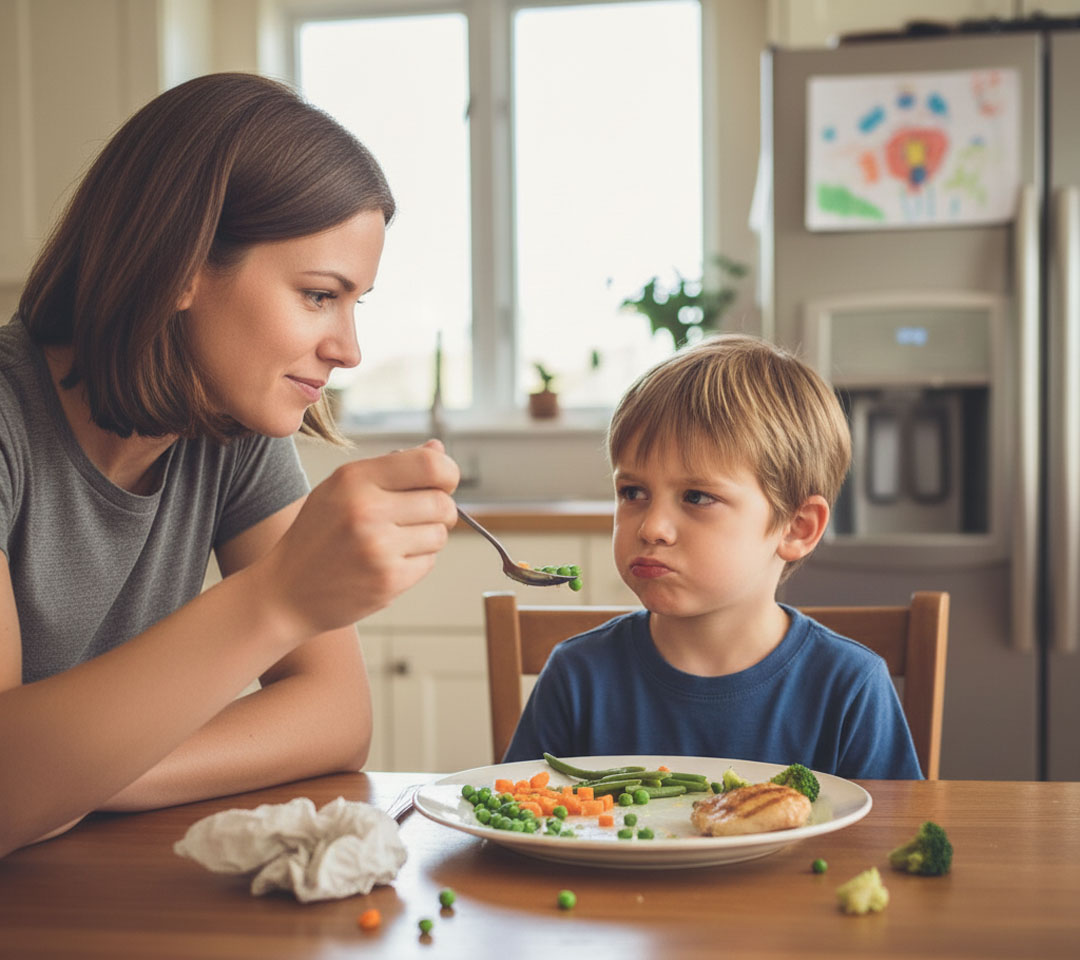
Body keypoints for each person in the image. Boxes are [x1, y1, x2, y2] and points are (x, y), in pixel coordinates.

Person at [0, 73, 461, 858]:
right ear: (179, 264)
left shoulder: (226, 431)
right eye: (320, 296)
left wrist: (75, 777)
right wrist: (280, 597)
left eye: (358, 304)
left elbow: (336, 713)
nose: (349, 349)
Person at [504, 334, 923, 779]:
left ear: (796, 527)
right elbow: (516, 820)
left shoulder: (849, 687)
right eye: (633, 492)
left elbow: (891, 842)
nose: (651, 528)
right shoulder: (577, 676)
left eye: (697, 497)